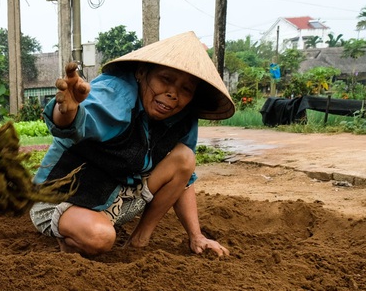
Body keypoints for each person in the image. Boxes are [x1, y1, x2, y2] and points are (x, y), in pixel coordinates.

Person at [30, 31, 235, 257]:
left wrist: (196, 236)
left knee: (185, 158)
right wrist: (66, 110)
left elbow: (185, 178)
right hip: (61, 198)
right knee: (101, 237)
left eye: (185, 89)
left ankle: (139, 240)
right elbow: (74, 122)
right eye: (165, 79)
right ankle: (74, 232)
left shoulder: (182, 117)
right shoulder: (117, 94)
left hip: (116, 200)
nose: (173, 94)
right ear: (141, 72)